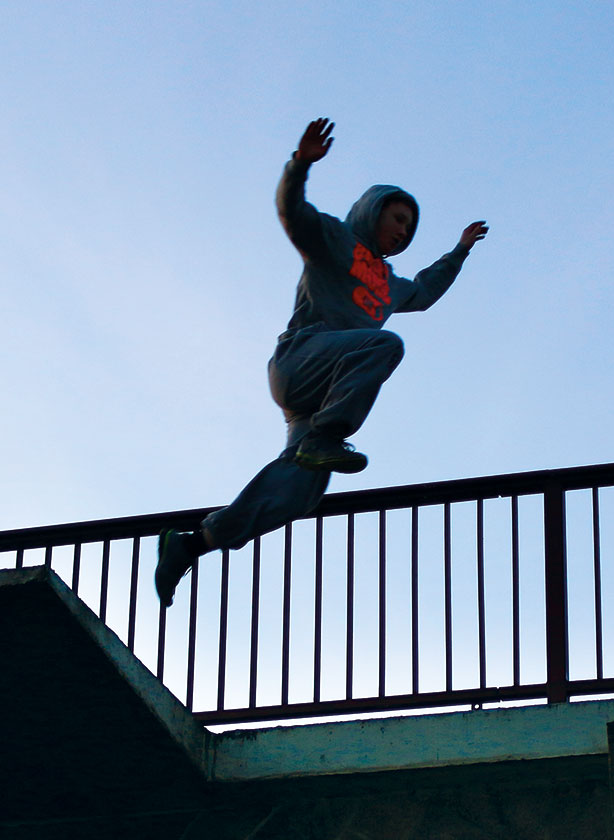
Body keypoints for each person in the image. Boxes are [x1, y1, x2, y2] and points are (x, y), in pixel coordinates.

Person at [155, 118, 488, 607]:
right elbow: (293, 213)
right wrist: (300, 164)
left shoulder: (391, 284)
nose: (402, 231)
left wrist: (458, 251)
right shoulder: (335, 239)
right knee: (384, 345)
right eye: (396, 219)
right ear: (372, 212)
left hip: (319, 398)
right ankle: (328, 435)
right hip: (300, 360)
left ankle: (191, 545)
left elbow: (425, 291)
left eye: (409, 228)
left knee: (302, 492)